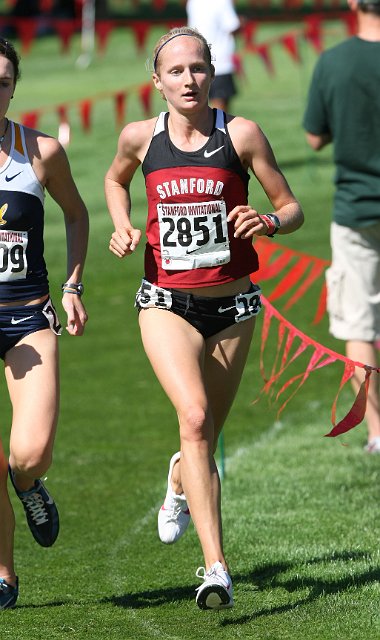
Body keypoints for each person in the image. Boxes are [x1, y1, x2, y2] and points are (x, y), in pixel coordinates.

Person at [105, 26, 303, 610]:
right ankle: (216, 568)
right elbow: (116, 181)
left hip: (236, 307)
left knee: (206, 430)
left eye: (198, 68)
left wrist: (268, 223)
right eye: (176, 71)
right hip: (167, 302)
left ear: (212, 72)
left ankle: (177, 479)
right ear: (157, 81)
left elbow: (290, 207)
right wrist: (122, 223)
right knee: (193, 417)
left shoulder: (239, 134)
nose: (188, 79)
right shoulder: (140, 138)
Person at [0, 38, 89, 610]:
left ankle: (30, 486)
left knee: (28, 453)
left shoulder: (40, 151)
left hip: (28, 314)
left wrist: (73, 285)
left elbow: (76, 214)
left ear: (13, 86)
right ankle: (3, 574)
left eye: (3, 80)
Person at [303, 0, 380, 453]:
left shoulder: (333, 61)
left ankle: (376, 431)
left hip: (356, 210)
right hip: (356, 208)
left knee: (359, 326)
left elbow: (314, 136)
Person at [186, 0, 241, 113]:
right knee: (220, 110)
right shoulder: (222, 2)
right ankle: (218, 131)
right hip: (220, 62)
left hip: (197, 59)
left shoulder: (193, 2)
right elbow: (232, 26)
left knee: (198, 108)